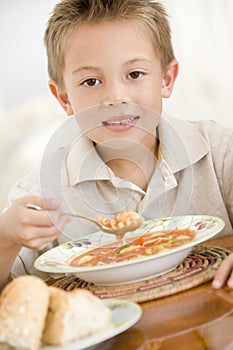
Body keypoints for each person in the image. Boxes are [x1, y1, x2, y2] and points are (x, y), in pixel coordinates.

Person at [0, 0, 232, 291]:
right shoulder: (38, 194)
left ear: (166, 79)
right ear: (64, 99)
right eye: (91, 81)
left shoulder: (220, 152)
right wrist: (6, 237)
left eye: (134, 74)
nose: (116, 97)